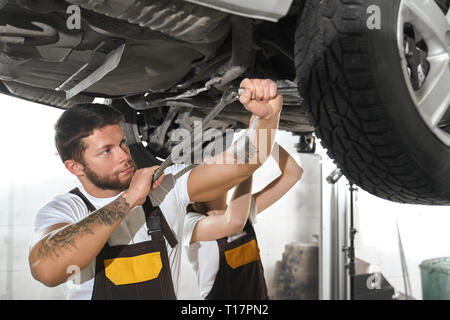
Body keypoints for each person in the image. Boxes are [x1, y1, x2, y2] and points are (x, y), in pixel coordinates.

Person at [27, 78, 283, 300]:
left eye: (122, 143)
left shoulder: (163, 187)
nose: (124, 156)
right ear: (75, 167)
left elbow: (242, 163)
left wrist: (266, 119)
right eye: (106, 151)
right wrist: (127, 200)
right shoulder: (66, 209)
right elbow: (47, 270)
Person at [183, 142, 303, 299]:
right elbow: (233, 222)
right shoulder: (190, 223)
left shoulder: (242, 209)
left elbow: (293, 174)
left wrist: (266, 137)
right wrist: (247, 169)